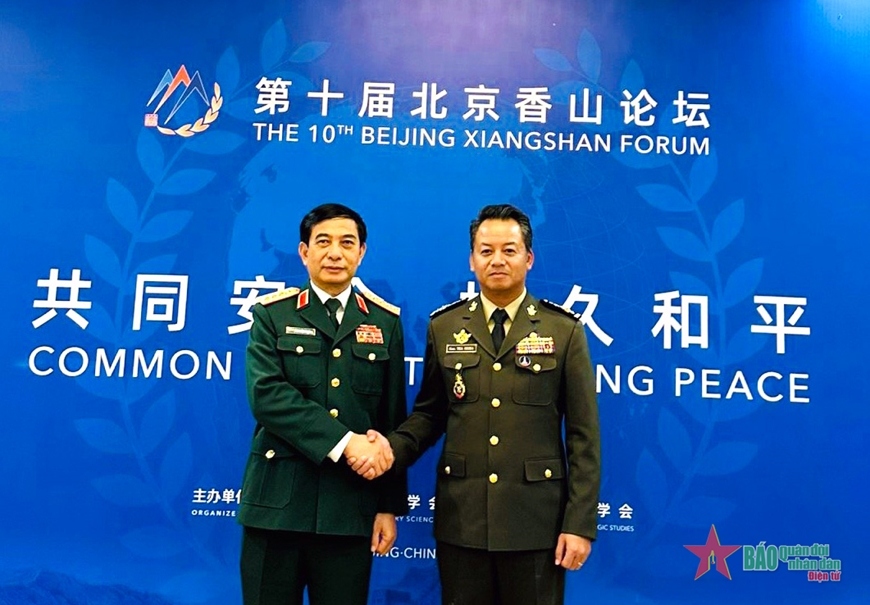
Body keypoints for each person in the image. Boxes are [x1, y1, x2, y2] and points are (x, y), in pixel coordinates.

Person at [351, 204, 600, 605]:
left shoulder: (564, 331)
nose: (497, 260)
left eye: (509, 250)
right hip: (463, 521)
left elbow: (584, 437)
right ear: (471, 260)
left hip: (536, 524)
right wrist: (389, 449)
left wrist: (580, 524)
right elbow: (431, 414)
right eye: (486, 251)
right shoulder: (445, 326)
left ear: (529, 258)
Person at [239, 203, 406, 605]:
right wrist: (347, 443)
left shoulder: (385, 323)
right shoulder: (271, 315)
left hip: (348, 513)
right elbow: (267, 398)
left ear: (361, 253)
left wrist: (387, 508)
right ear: (304, 252)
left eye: (347, 243)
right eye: (323, 242)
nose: (335, 253)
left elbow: (391, 418)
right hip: (275, 508)